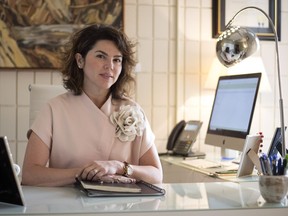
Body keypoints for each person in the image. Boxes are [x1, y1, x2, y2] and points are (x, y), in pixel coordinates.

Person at [22, 24, 163, 187]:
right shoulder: (54, 109)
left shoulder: (133, 111)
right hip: (67, 206)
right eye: (101, 56)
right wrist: (85, 173)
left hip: (122, 207)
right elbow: (30, 175)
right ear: (80, 60)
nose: (110, 66)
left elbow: (156, 174)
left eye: (117, 60)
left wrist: (118, 167)